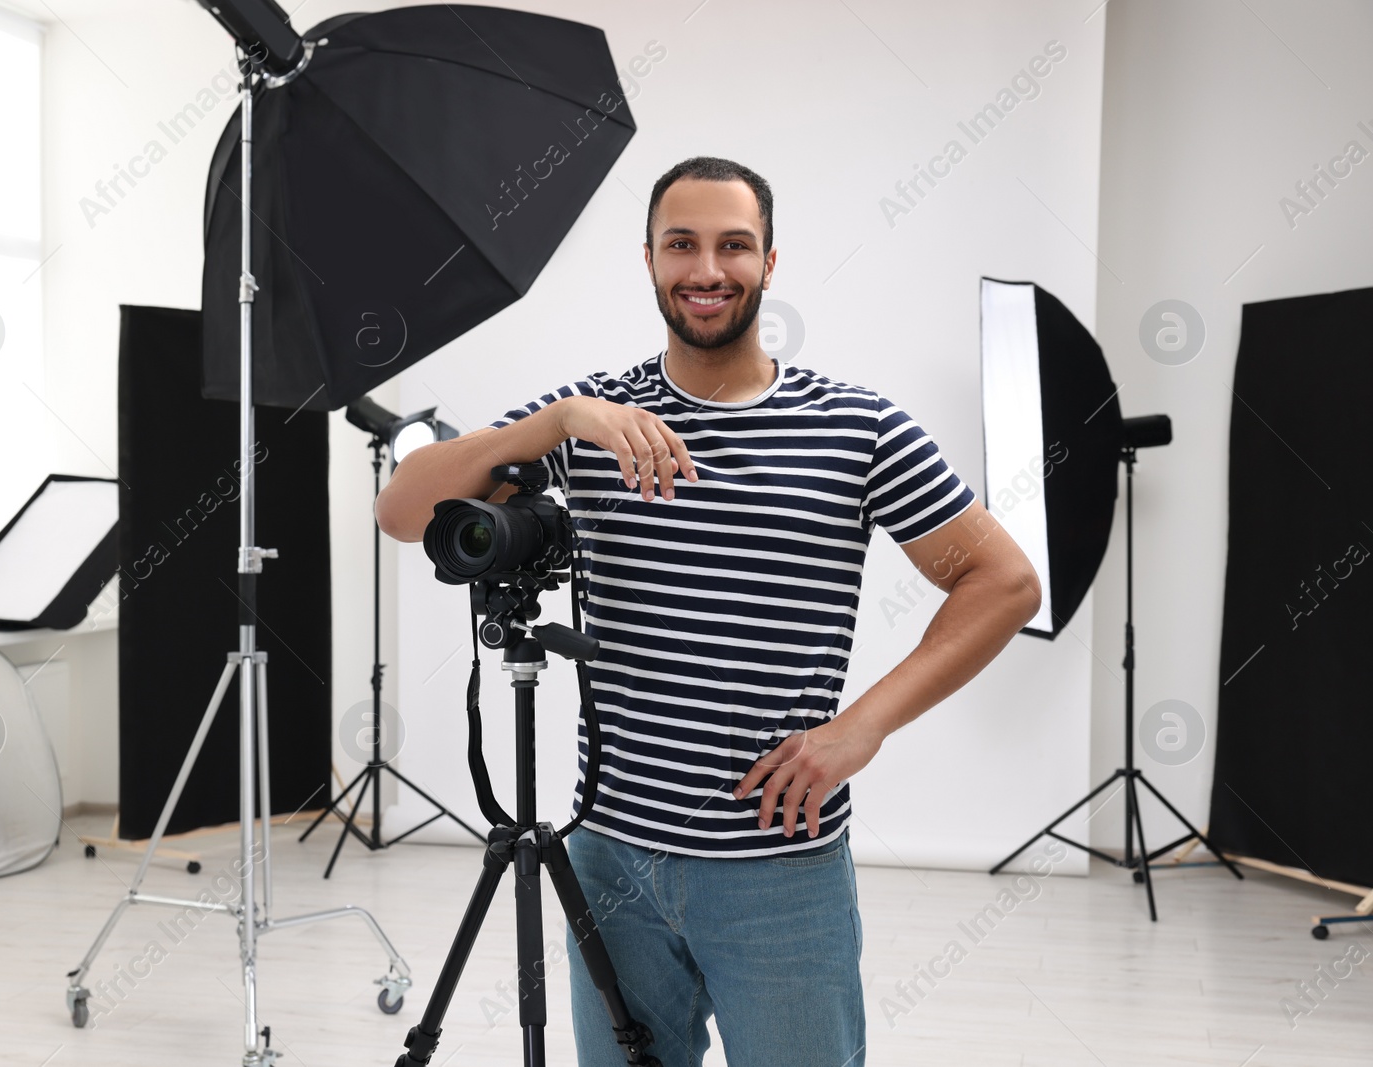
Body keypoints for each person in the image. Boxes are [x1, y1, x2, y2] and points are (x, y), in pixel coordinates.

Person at [376, 156, 1041, 1067]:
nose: (707, 270)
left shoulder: (856, 425)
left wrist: (862, 728)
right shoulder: (599, 422)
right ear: (648, 259)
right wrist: (562, 420)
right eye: (681, 244)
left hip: (779, 873)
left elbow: (1003, 581)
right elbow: (403, 511)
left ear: (770, 264)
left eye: (734, 245)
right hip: (609, 861)